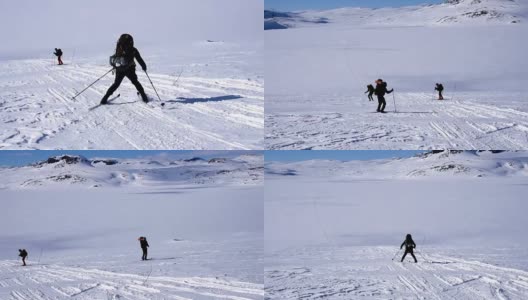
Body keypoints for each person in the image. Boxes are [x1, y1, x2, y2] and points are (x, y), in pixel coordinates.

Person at [100, 34, 149, 105]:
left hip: (120, 70)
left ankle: (104, 98)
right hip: (130, 69)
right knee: (135, 82)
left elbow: (116, 59)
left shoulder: (119, 48)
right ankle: (144, 97)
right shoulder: (133, 50)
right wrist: (144, 66)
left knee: (116, 84)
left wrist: (115, 66)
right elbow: (139, 59)